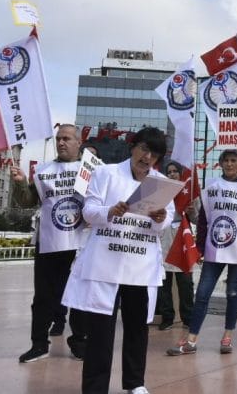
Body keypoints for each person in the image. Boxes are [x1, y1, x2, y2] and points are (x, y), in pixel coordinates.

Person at [63, 127, 174, 394]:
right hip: (106, 264)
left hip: (140, 265)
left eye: (154, 154)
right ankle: (95, 386)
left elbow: (168, 217)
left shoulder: (160, 183)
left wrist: (161, 219)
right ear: (132, 147)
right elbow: (89, 211)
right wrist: (109, 211)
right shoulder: (106, 173)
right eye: (144, 149)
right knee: (101, 330)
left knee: (138, 327)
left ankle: (135, 383)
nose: (147, 157)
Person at [166, 149, 237, 356]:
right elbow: (203, 220)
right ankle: (191, 340)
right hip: (214, 248)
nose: (229, 164)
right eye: (226, 160)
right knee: (202, 294)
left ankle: (227, 335)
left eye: (233, 161)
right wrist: (200, 247)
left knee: (232, 292)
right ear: (220, 164)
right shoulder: (211, 186)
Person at [13, 124, 89, 363]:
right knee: (43, 297)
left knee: (79, 295)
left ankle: (79, 341)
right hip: (49, 243)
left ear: (79, 142)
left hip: (81, 243)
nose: (61, 143)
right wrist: (20, 182)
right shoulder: (43, 171)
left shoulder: (92, 170)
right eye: (58, 139)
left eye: (67, 138)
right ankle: (38, 343)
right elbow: (27, 202)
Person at [154, 161, 194, 331]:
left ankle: (188, 317)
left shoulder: (189, 193)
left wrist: (193, 212)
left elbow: (199, 219)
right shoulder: (161, 192)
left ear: (180, 174)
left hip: (182, 238)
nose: (171, 174)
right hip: (164, 238)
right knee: (164, 282)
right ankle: (167, 317)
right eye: (168, 172)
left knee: (185, 282)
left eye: (174, 171)